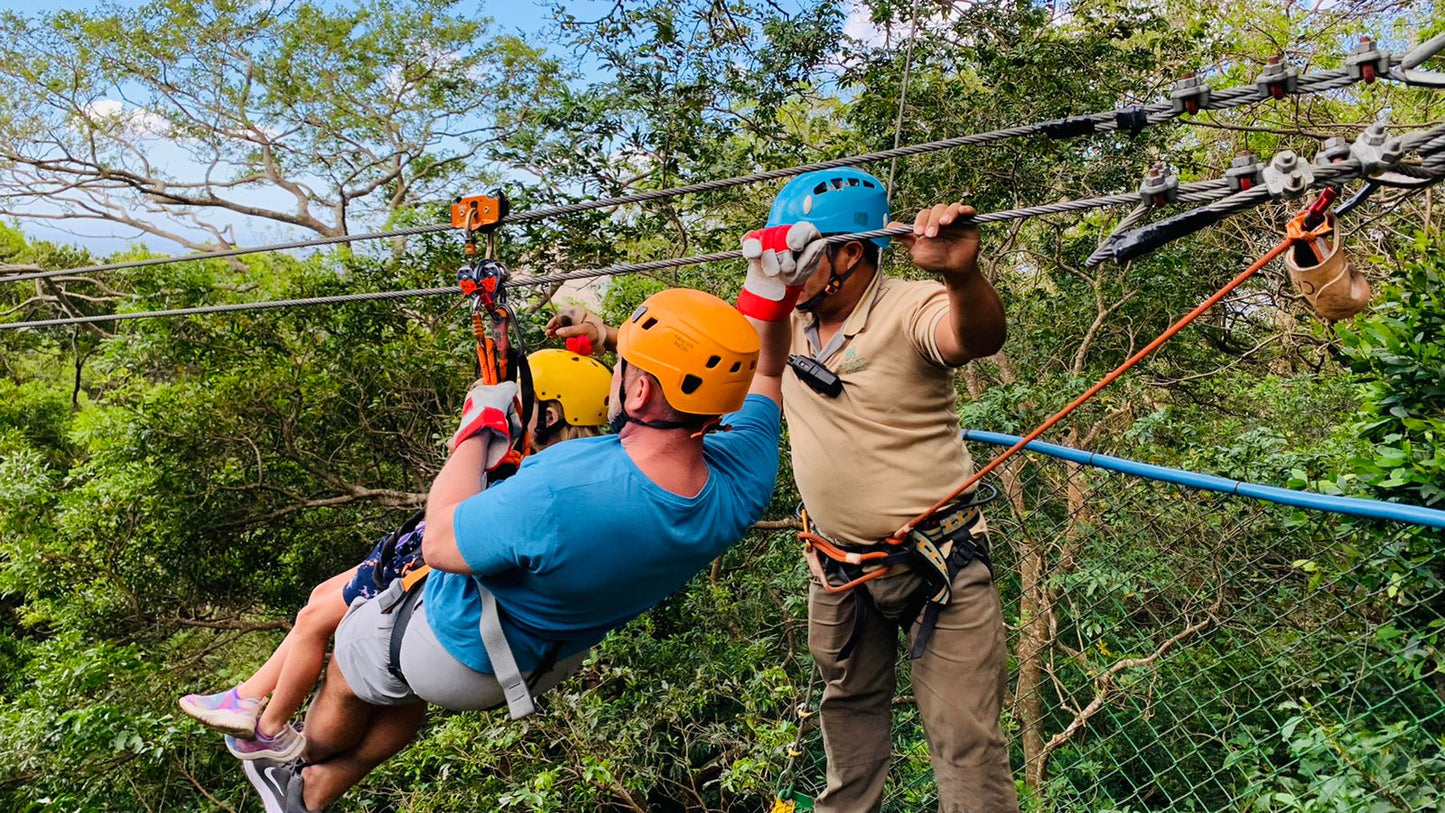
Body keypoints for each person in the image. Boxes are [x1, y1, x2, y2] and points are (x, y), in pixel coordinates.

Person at [555, 168, 1016, 812]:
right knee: (847, 719)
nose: (783, 272)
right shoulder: (788, 320)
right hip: (836, 566)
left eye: (796, 256)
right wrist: (607, 338)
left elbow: (973, 337)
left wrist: (962, 275)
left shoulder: (911, 306)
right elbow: (723, 361)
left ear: (849, 253)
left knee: (964, 739)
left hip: (939, 563)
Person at [243, 288, 788, 812]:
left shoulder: (566, 487)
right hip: (542, 665)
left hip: (455, 648)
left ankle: (289, 758)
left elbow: (440, 543)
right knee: (397, 690)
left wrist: (476, 429)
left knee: (350, 659)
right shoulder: (742, 481)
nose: (613, 377)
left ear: (640, 393)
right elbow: (766, 369)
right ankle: (316, 791)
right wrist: (770, 293)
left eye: (621, 367)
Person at [178, 349, 614, 763]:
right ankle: (248, 696)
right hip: (420, 559)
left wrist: (482, 426)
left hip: (419, 567)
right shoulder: (566, 475)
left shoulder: (534, 479)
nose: (517, 411)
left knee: (314, 621)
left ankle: (268, 727)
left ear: (550, 415)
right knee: (318, 599)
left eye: (525, 404)